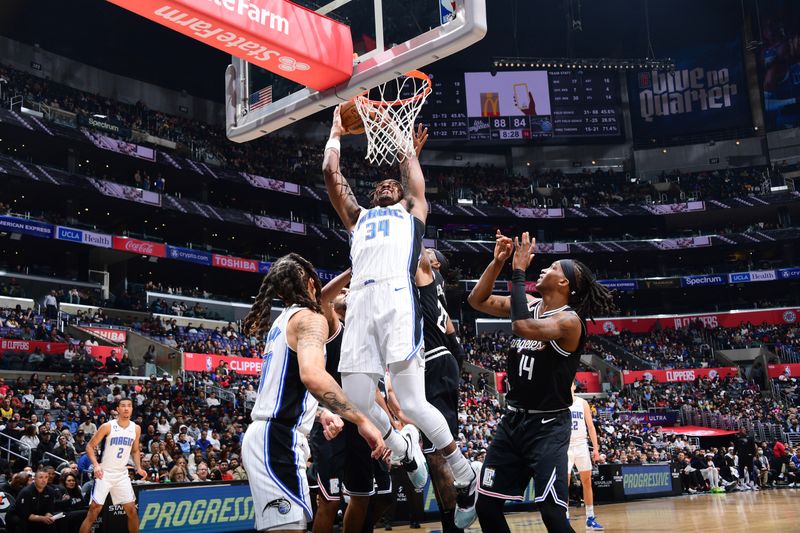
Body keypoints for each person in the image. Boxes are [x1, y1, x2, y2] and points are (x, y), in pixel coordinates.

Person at [323, 108, 479, 527]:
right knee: (355, 400)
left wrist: (405, 146)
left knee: (412, 400)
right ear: (374, 196)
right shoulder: (358, 218)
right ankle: (403, 449)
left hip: (396, 298)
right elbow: (330, 175)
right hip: (360, 303)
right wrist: (336, 133)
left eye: (395, 183)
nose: (389, 186)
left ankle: (465, 474)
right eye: (383, 184)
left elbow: (414, 180)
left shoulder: (412, 215)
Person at [468, 231, 616, 533]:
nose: (545, 269)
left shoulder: (569, 321)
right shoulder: (532, 303)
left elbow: (522, 327)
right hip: (513, 421)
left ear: (563, 284)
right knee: (486, 506)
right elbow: (477, 300)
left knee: (550, 513)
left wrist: (518, 270)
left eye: (553, 269)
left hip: (548, 427)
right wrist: (498, 263)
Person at [240, 253, 387, 532]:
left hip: (273, 436)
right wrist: (362, 420)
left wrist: (320, 415)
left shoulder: (285, 319)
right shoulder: (310, 319)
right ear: (309, 282)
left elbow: (288, 387)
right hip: (277, 440)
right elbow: (312, 376)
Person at [307, 268, 389, 533]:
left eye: (347, 292)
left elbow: (375, 393)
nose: (344, 293)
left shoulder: (365, 338)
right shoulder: (331, 325)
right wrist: (354, 271)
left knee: (363, 496)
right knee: (329, 500)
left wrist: (390, 426)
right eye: (341, 292)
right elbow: (321, 299)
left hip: (359, 420)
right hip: (331, 418)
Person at [415, 250, 469, 533]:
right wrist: (454, 362)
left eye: (429, 254)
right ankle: (451, 521)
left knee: (438, 453)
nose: (424, 252)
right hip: (439, 361)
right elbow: (453, 336)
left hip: (434, 361)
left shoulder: (426, 273)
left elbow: (411, 244)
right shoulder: (436, 291)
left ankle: (453, 525)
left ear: (434, 265)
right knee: (434, 450)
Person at [78, 398, 146, 533]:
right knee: (94, 511)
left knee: (132, 510)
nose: (126, 408)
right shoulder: (107, 426)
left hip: (121, 474)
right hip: (105, 473)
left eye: (129, 406)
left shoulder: (136, 428)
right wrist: (96, 465)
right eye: (123, 406)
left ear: (132, 409)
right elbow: (89, 447)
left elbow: (135, 450)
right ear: (118, 409)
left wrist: (139, 468)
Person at [567, 382, 603, 530]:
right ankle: (564, 517)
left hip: (581, 444)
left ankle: (590, 517)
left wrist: (596, 449)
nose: (568, 386)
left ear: (574, 387)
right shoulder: (559, 403)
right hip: (566, 445)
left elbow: (591, 426)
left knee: (586, 481)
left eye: (571, 384)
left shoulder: (582, 403)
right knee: (564, 483)